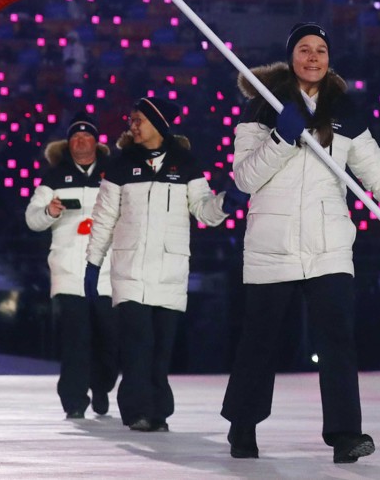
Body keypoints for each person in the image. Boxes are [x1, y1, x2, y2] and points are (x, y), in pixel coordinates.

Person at [221, 23, 380, 464]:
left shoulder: (346, 112)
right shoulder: (261, 109)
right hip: (272, 244)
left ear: (329, 59)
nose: (313, 58)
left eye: (321, 50)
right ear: (291, 57)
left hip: (329, 245)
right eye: (304, 50)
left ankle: (345, 434)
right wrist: (282, 137)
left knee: (338, 340)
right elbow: (244, 179)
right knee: (259, 342)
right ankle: (243, 426)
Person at [84, 96, 245, 433]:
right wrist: (93, 263)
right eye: (132, 118)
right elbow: (103, 218)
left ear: (157, 123)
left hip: (170, 271)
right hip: (130, 271)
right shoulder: (119, 164)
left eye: (139, 119)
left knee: (161, 348)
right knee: (137, 345)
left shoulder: (185, 163)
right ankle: (137, 410)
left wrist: (226, 204)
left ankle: (158, 411)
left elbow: (203, 210)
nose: (132, 125)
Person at [25, 111, 118, 419]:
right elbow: (32, 218)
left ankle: (102, 384)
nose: (80, 141)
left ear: (96, 142)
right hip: (69, 273)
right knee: (75, 340)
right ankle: (74, 401)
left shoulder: (114, 174)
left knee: (109, 338)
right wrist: (50, 213)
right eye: (75, 137)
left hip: (106, 273)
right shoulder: (53, 177)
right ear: (68, 144)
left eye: (86, 136)